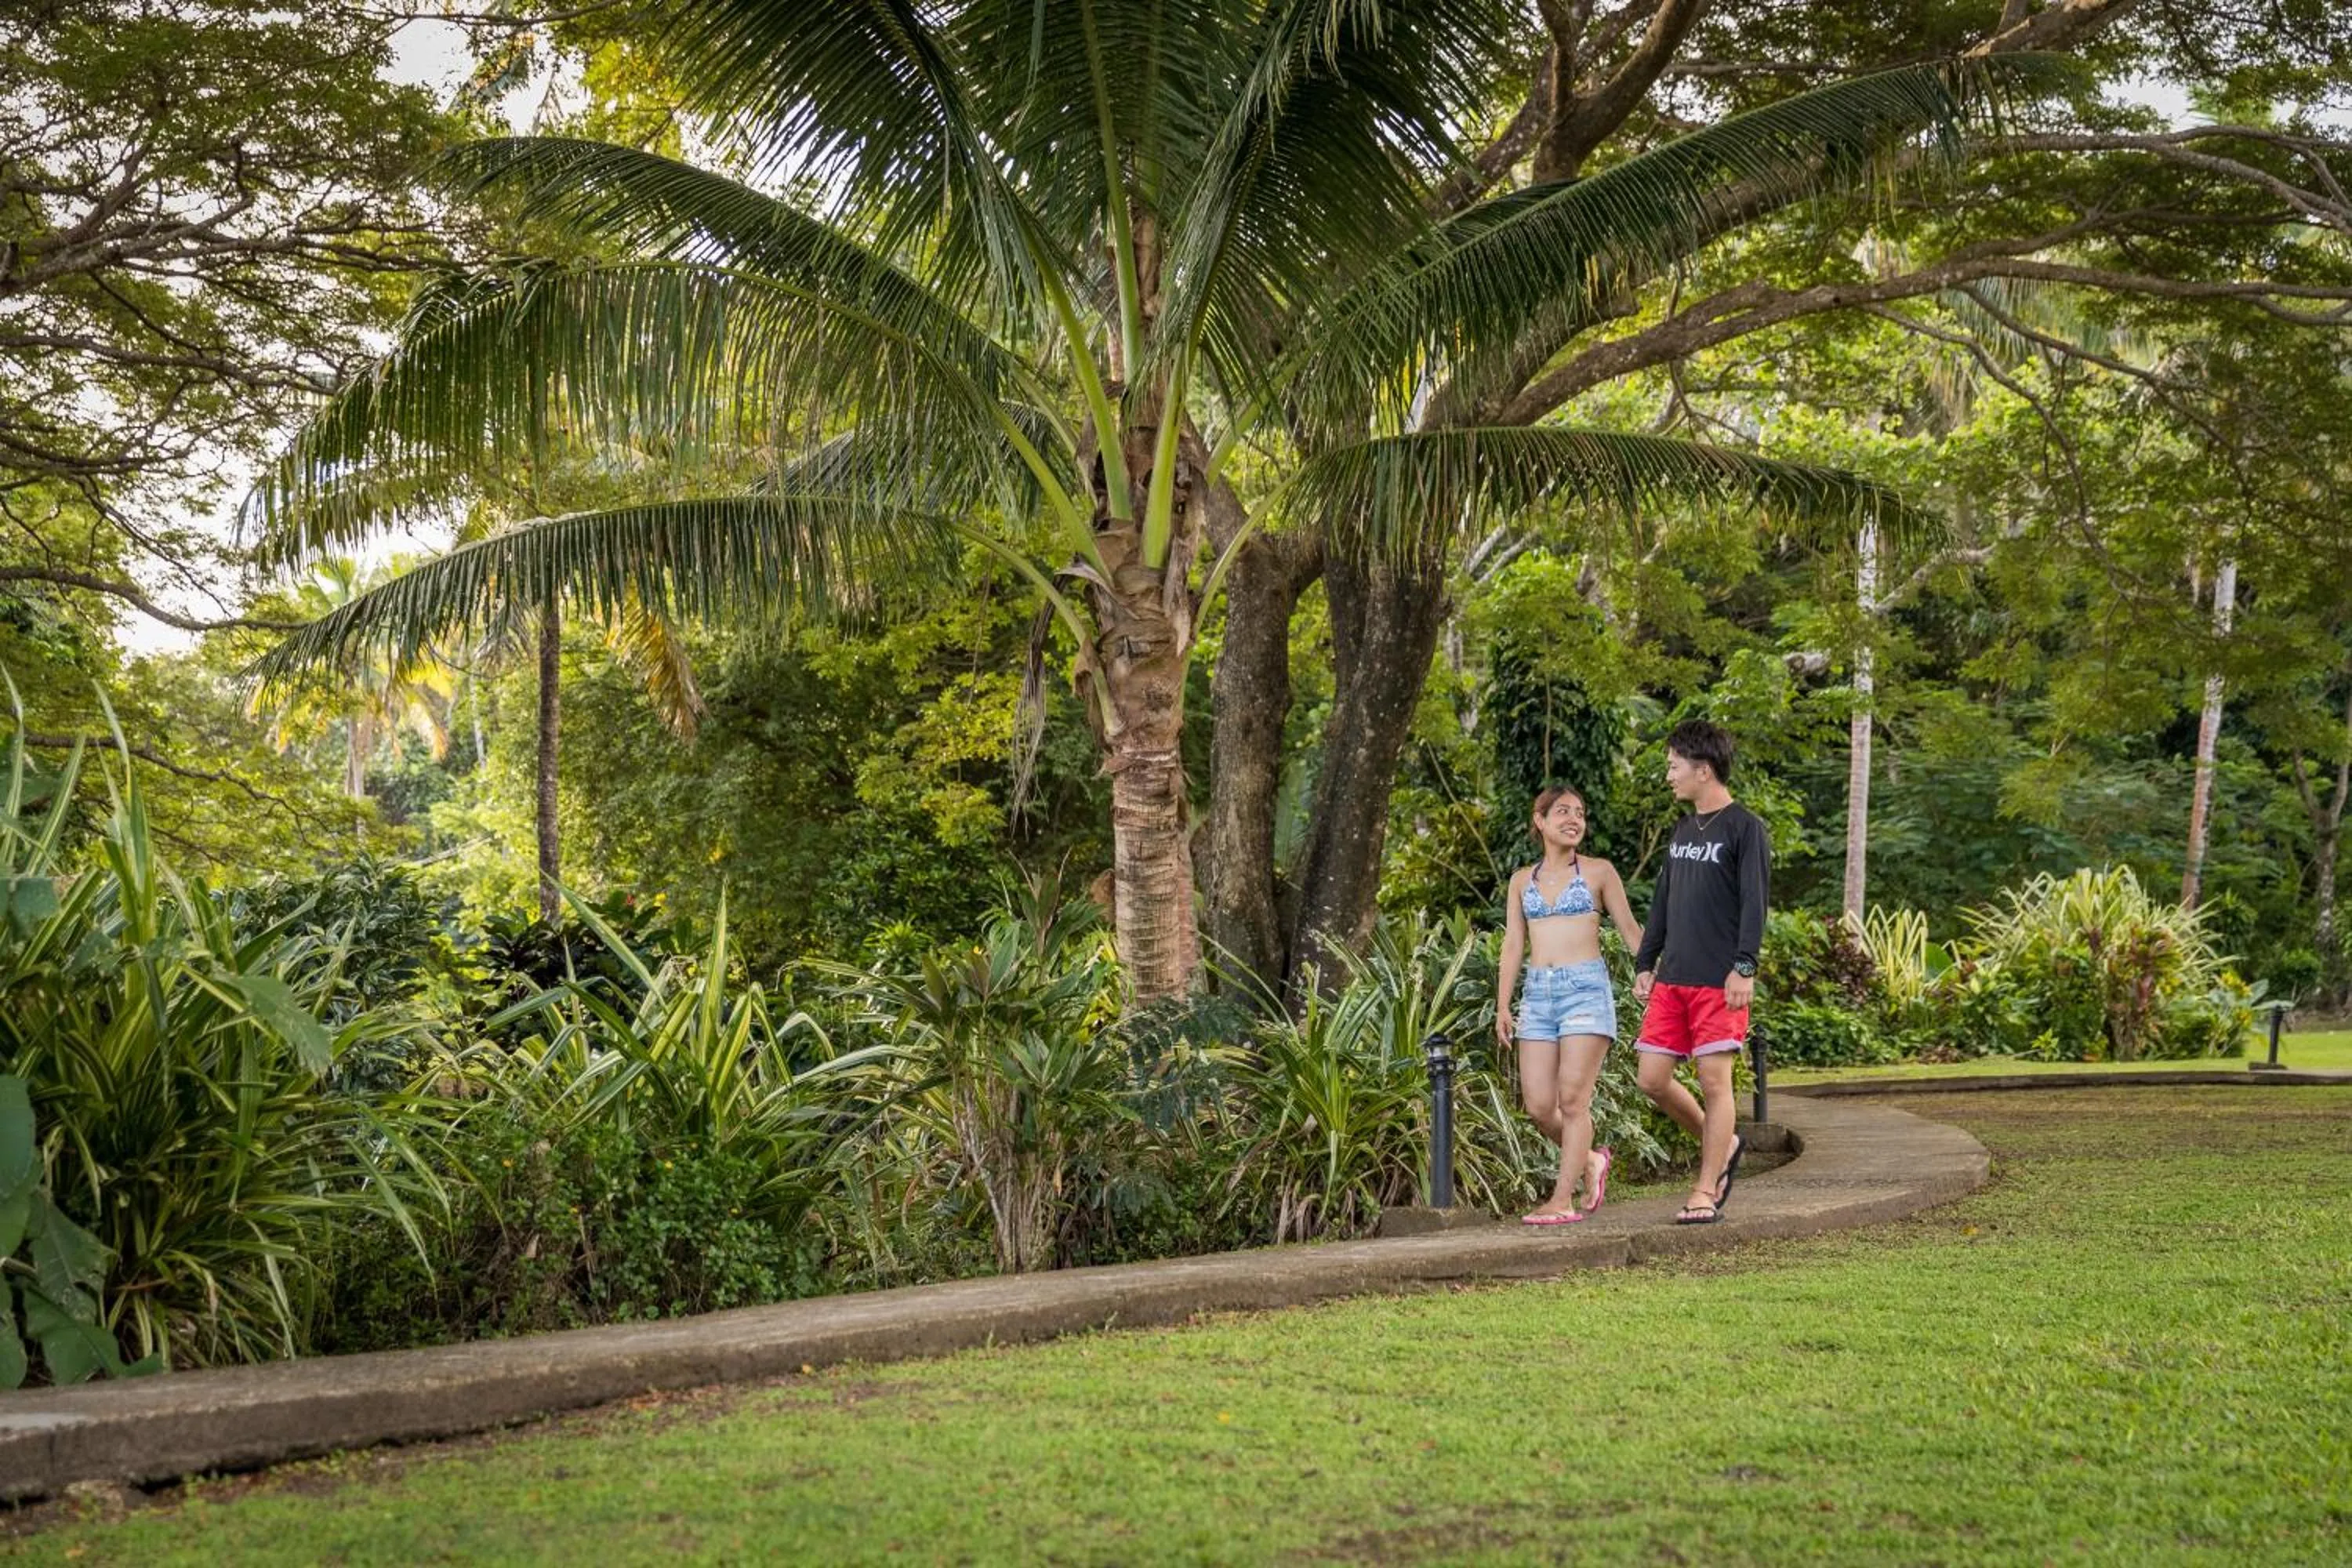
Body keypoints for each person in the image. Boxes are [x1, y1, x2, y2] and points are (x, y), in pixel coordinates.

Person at [1632, 720, 1770, 1225]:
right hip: (1674, 979)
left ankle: (1705, 1188)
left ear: (1703, 769)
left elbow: (1755, 903)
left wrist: (1744, 967)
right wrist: (1647, 960)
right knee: (1651, 1079)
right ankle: (1725, 1142)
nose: (1669, 775)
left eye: (1673, 766)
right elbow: (1665, 901)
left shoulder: (1745, 828)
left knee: (1716, 1083)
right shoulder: (1683, 830)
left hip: (1720, 981)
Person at [1495, 786, 1646, 1225]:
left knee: (1574, 1101)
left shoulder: (1600, 873)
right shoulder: (1523, 880)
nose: (1573, 819)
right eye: (1562, 812)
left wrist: (1651, 971)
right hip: (1538, 995)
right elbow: (1512, 944)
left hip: (1585, 990)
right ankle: (1592, 1162)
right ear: (1539, 821)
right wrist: (1503, 1006)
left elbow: (1631, 930)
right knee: (1540, 1106)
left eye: (1579, 812)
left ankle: (1561, 1200)